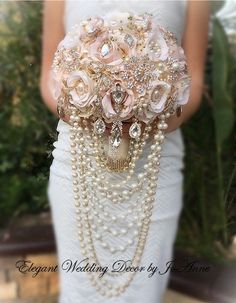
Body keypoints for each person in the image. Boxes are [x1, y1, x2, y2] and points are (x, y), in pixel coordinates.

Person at [40, 1, 209, 302]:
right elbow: (49, 80)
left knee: (143, 291)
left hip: (155, 169)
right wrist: (90, 113)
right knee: (80, 291)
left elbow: (192, 84)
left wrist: (148, 116)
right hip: (78, 168)